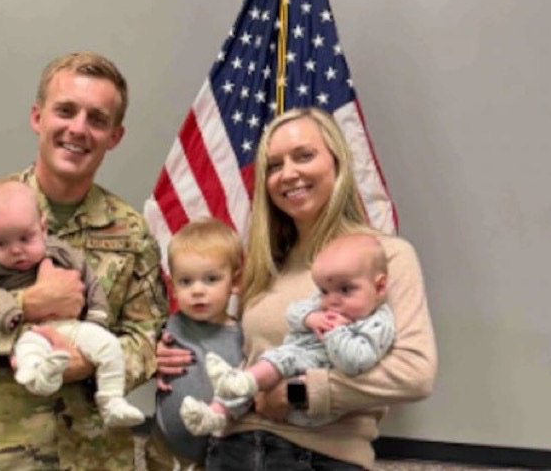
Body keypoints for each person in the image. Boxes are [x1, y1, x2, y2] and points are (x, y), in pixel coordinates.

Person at [0, 52, 168, 470]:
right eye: (65, 111)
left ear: (115, 136)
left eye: (97, 119)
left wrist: (87, 362)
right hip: (0, 452)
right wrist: (24, 306)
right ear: (38, 117)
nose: (78, 129)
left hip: (96, 455)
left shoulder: (131, 231)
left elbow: (147, 338)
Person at [155, 107, 437, 470]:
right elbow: (242, 351)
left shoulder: (385, 255)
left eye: (304, 156)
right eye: (274, 165)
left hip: (319, 456)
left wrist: (299, 392)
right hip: (229, 452)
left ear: (337, 161)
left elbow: (414, 373)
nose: (288, 174)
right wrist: (178, 349)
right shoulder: (266, 265)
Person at [0, 179, 145, 428]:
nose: (16, 250)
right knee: (29, 356)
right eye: (2, 243)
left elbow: (91, 281)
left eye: (25, 238)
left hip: (72, 328)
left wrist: (97, 317)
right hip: (30, 330)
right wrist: (16, 307)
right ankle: (43, 377)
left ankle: (112, 401)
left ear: (43, 227)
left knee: (108, 346)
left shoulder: (62, 251)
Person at [180, 232, 395, 435]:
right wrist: (310, 318)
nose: (332, 300)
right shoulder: (327, 298)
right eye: (324, 291)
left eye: (346, 290)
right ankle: (215, 414)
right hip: (278, 383)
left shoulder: (377, 323)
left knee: (275, 361)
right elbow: (293, 313)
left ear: (379, 287)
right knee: (254, 367)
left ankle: (243, 382)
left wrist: (335, 332)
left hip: (312, 387)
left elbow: (355, 362)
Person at [145, 218, 246, 470]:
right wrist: (151, 358)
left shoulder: (243, 337)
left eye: (211, 279)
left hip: (224, 453)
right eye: (186, 281)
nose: (197, 290)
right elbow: (137, 350)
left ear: (234, 282)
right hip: (164, 449)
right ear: (173, 287)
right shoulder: (167, 328)